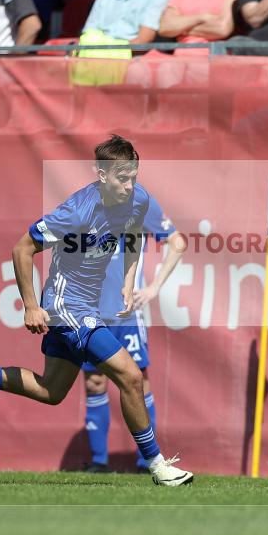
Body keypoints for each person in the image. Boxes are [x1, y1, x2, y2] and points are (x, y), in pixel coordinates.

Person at [0, 134, 194, 488]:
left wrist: (128, 280)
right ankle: (158, 467)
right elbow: (22, 249)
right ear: (101, 175)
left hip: (86, 304)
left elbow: (135, 236)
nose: (129, 186)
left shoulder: (137, 199)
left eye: (133, 177)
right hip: (67, 306)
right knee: (130, 376)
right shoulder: (76, 210)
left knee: (51, 391)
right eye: (122, 178)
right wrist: (31, 306)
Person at [81, 196, 186, 473]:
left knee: (138, 381)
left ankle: (146, 462)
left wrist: (154, 288)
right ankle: (99, 462)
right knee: (93, 381)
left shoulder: (143, 205)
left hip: (126, 313)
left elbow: (177, 242)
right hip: (90, 310)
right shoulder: (86, 204)